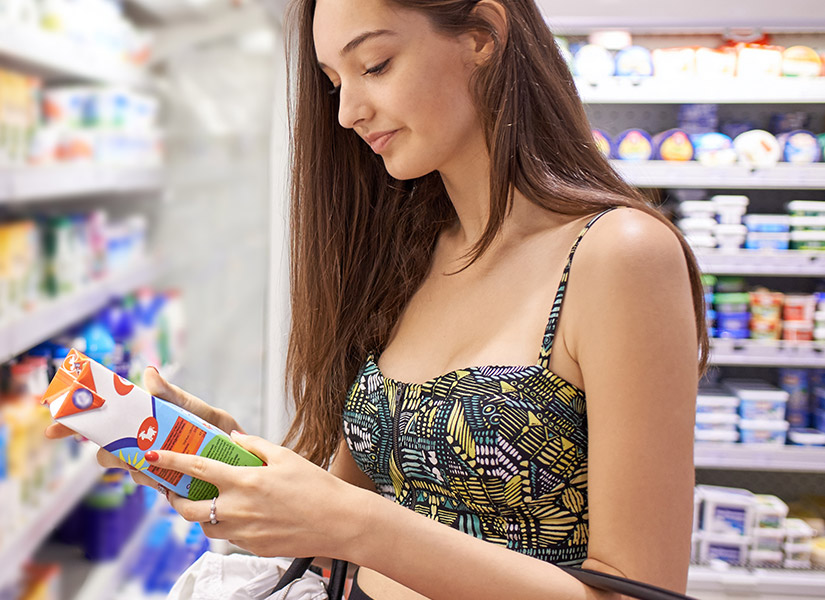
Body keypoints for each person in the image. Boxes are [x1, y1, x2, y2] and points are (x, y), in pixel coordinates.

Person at [46, 0, 707, 597]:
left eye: (375, 65)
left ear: (482, 34)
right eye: (334, 82)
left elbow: (637, 593)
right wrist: (220, 454)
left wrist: (361, 526)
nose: (345, 112)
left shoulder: (617, 255)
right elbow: (346, 511)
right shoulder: (408, 255)